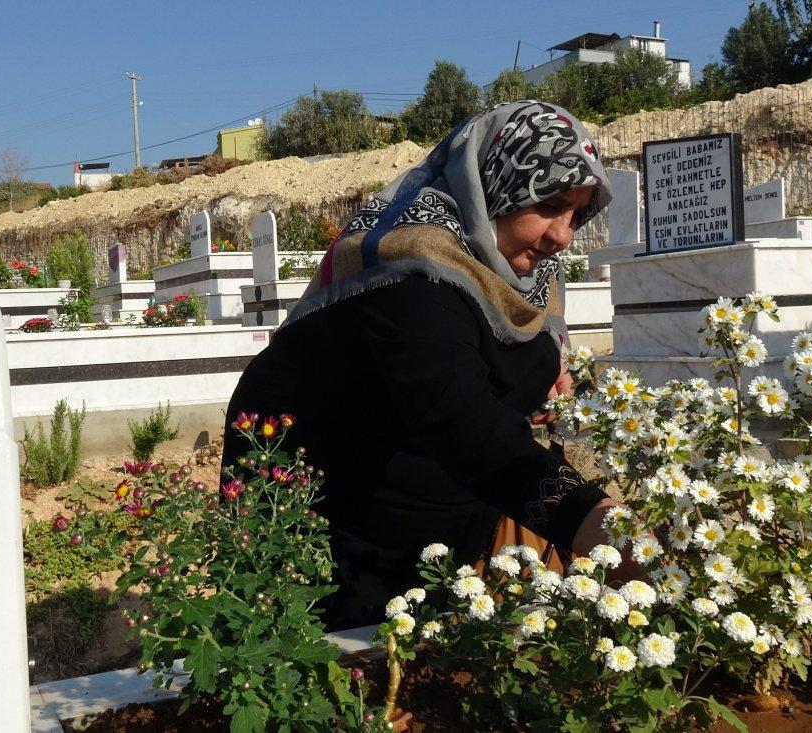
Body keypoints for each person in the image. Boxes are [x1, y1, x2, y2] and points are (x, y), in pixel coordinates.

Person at [221, 101, 620, 630]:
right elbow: (458, 417)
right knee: (317, 670)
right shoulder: (415, 268)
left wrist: (548, 377)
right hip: (336, 516)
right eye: (548, 205)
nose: (562, 236)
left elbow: (514, 354)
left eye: (576, 214)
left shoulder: (521, 275)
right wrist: (592, 523)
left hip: (446, 511)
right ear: (500, 184)